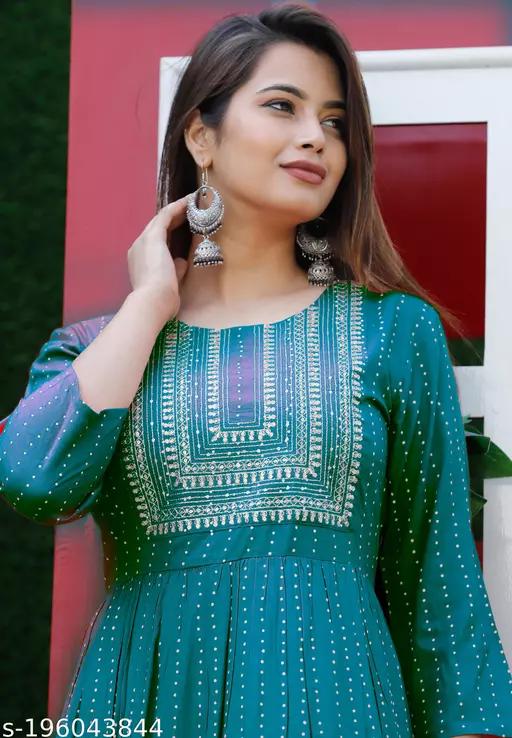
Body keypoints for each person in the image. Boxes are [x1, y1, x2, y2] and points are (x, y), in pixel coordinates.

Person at [1, 4, 512, 737]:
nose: (316, 137)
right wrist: (148, 304)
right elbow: (34, 480)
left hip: (337, 710)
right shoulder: (97, 349)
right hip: (143, 705)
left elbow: (439, 593)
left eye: (335, 122)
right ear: (201, 136)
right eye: (282, 106)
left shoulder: (394, 333)